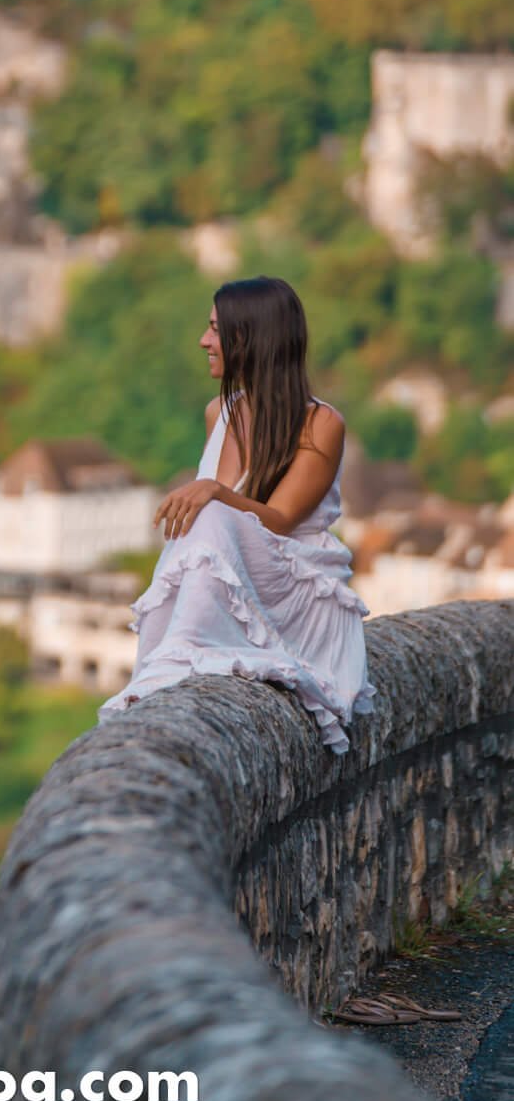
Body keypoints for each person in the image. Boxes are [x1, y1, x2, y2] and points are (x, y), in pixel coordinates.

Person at [97, 276, 376, 755]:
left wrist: (214, 492)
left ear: (250, 339)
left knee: (209, 515)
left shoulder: (321, 423)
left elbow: (282, 519)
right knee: (206, 516)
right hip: (245, 579)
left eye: (215, 330)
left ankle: (175, 660)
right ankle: (165, 669)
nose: (204, 341)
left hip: (295, 594)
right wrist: (214, 496)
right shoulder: (218, 413)